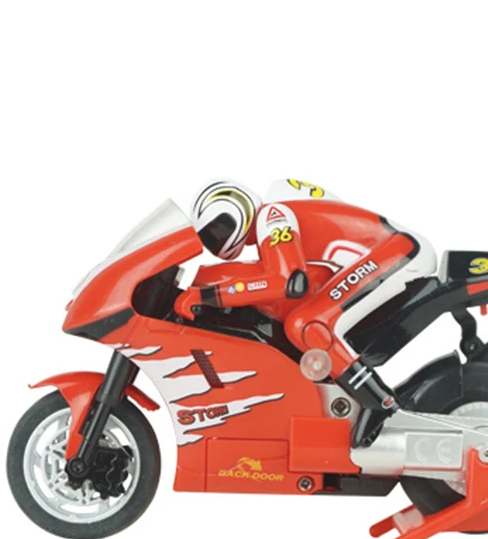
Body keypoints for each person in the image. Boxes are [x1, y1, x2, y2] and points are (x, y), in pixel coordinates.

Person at [175, 178, 436, 447]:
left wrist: (208, 295)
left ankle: (379, 402)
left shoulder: (272, 216)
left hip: (401, 252)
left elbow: (289, 281)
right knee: (306, 320)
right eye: (210, 238)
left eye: (219, 229)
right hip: (392, 251)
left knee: (307, 324)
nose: (217, 241)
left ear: (236, 207)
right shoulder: (276, 213)